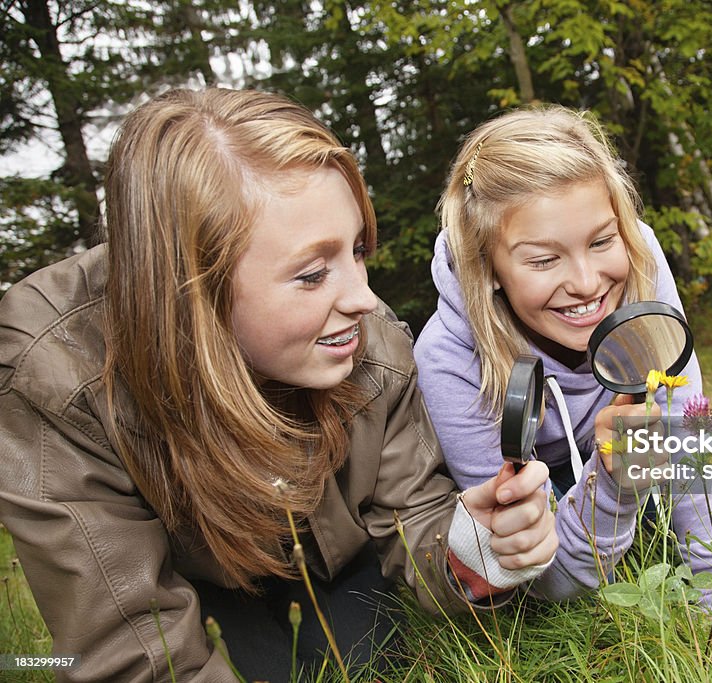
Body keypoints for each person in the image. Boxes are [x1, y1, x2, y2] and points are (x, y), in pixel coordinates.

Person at [0, 88, 558, 683]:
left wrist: (472, 549)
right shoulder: (57, 376)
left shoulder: (373, 345)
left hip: (338, 569)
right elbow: (129, 648)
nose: (363, 298)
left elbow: (413, 518)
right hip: (199, 588)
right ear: (192, 291)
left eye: (358, 251)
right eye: (313, 273)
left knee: (373, 657)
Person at [414, 106, 712, 603]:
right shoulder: (448, 358)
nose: (587, 284)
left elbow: (685, 438)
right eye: (543, 259)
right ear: (488, 267)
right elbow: (550, 585)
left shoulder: (640, 260)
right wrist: (613, 481)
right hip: (554, 482)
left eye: (602, 240)